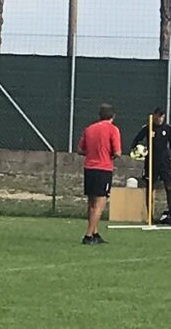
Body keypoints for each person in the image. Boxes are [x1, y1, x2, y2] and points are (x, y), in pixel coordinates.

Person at [77, 103, 121, 245]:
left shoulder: (89, 129)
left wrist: (92, 152)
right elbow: (117, 152)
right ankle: (88, 235)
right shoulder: (113, 130)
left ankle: (94, 232)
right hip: (103, 169)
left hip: (89, 168)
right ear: (113, 116)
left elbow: (80, 150)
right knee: (99, 204)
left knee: (91, 203)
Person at [129, 107, 171, 216]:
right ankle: (150, 214)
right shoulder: (148, 128)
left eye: (162, 116)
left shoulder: (168, 129)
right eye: (158, 116)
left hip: (164, 162)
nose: (160, 118)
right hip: (151, 162)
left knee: (168, 186)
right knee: (150, 187)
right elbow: (137, 139)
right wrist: (135, 150)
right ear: (154, 115)